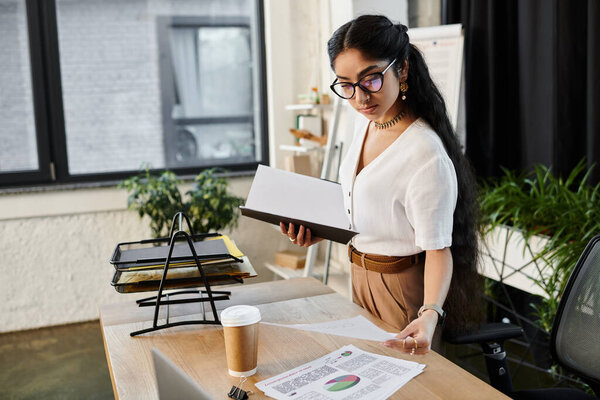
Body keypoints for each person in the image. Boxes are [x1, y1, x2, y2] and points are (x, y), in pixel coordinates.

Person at [280, 15, 480, 355]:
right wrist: (322, 230)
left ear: (401, 70)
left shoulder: (424, 152)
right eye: (346, 85)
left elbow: (438, 249)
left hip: (401, 290)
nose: (359, 98)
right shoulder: (366, 125)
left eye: (370, 79)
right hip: (360, 277)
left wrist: (430, 313)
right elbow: (372, 207)